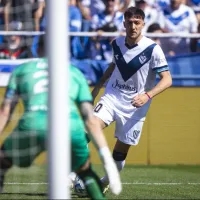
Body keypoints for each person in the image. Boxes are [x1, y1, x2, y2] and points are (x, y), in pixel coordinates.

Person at [0, 35, 122, 198]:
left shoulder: (22, 70)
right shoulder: (75, 73)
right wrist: (106, 157)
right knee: (84, 170)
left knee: (2, 162)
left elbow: (5, 113)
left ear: (38, 49)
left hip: (33, 124)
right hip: (70, 127)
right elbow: (90, 119)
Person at [91, 6, 172, 193]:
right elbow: (114, 66)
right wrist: (97, 89)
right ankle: (72, 177)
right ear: (124, 23)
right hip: (112, 97)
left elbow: (167, 79)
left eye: (137, 22)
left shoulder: (153, 49)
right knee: (89, 128)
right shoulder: (116, 43)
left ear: (143, 24)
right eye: (129, 22)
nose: (133, 26)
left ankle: (104, 182)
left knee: (118, 157)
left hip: (135, 107)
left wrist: (147, 95)